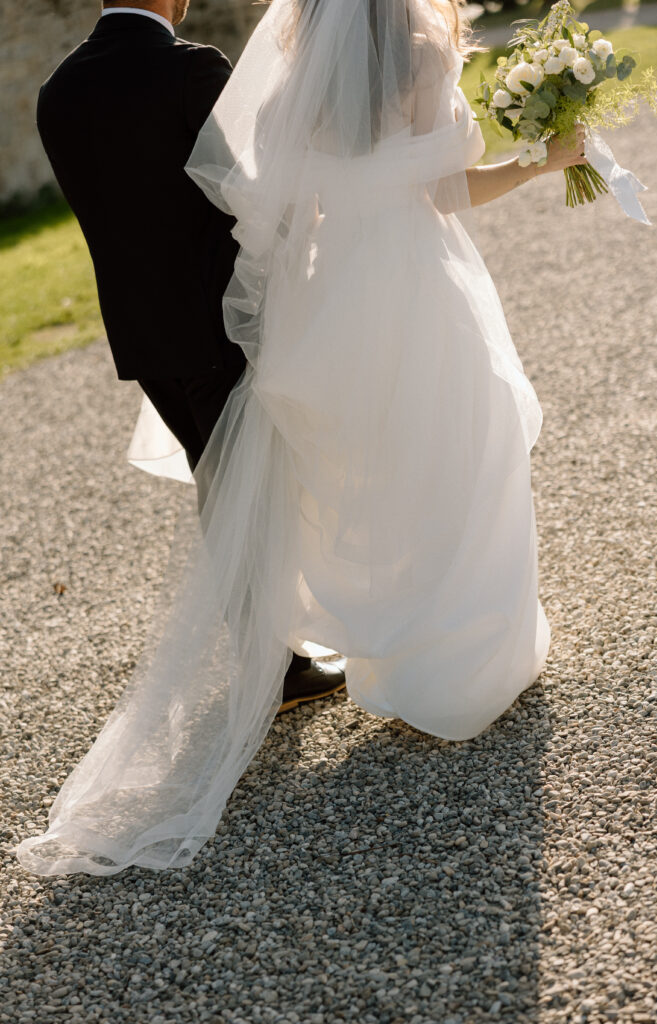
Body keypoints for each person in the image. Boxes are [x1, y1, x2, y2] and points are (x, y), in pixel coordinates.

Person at [17, 0, 587, 877]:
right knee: (452, 455)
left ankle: (332, 659)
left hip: (197, 323)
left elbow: (255, 191)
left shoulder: (80, 86)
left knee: (318, 471)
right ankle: (426, 654)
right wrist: (540, 160)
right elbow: (427, 191)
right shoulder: (395, 50)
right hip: (371, 295)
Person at [34, 0, 347, 713]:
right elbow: (252, 192)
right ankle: (274, 668)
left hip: (143, 337)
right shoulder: (192, 68)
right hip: (220, 322)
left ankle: (275, 652)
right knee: (249, 485)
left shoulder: (58, 89)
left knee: (223, 482)